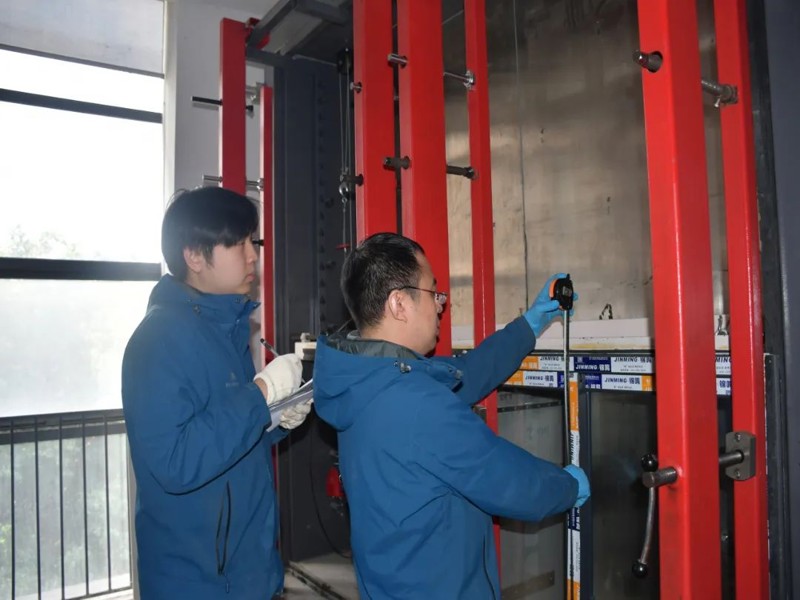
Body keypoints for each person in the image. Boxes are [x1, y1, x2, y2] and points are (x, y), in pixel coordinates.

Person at [312, 232, 590, 599]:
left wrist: (530, 326)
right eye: (433, 292)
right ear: (399, 304)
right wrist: (569, 486)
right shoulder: (415, 403)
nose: (441, 305)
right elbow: (511, 483)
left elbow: (465, 375)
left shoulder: (366, 379)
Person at [122, 186, 312, 599]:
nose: (252, 256)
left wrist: (275, 420)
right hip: (198, 583)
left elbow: (226, 440)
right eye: (238, 243)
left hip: (249, 573)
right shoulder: (158, 340)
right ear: (194, 256)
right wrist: (259, 394)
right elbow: (175, 461)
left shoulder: (225, 330)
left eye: (252, 241)